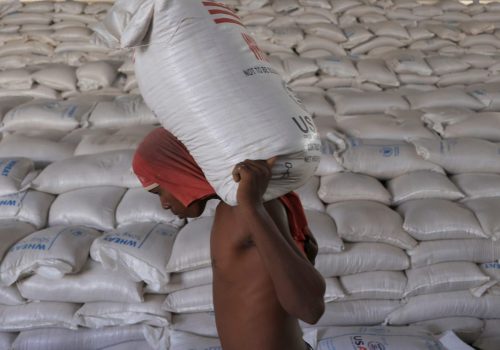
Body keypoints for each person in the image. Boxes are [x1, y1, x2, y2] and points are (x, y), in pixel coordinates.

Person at [133, 127, 326, 350]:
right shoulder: (232, 208)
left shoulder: (250, 208)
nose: (164, 204)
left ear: (180, 170)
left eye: (160, 191)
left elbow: (310, 309)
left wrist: (252, 208)